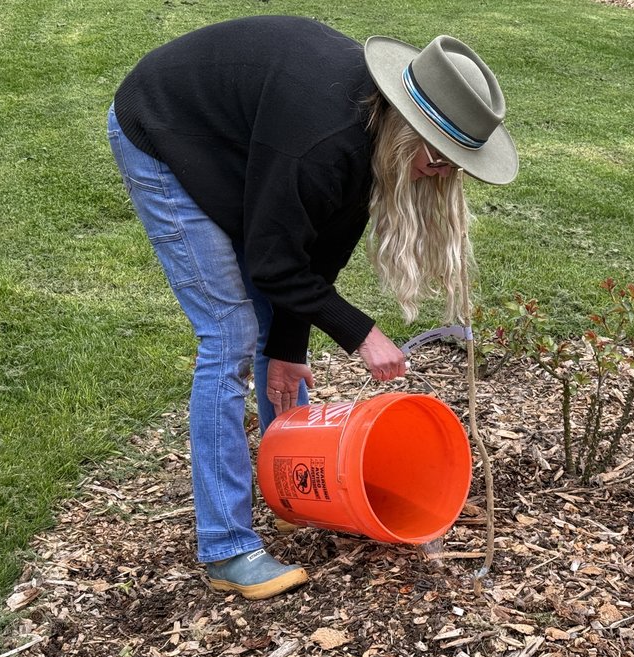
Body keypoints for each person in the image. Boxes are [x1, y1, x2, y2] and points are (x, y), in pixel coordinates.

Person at [106, 16, 518, 600]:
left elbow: (313, 252)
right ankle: (226, 549)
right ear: (406, 121)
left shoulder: (370, 144)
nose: (444, 171)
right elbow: (276, 265)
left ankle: (290, 491)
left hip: (249, 146)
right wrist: (361, 334)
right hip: (166, 130)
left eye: (458, 160)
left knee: (273, 334)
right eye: (440, 154)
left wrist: (290, 349)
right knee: (229, 334)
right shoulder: (325, 144)